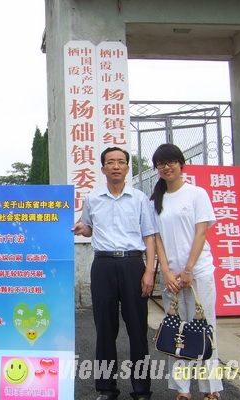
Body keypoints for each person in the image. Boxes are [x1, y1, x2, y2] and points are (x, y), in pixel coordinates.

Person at [73, 147, 156, 400]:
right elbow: (89, 228)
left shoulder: (140, 199)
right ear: (103, 168)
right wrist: (82, 228)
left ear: (128, 167)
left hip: (133, 265)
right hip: (103, 266)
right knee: (105, 329)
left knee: (137, 329)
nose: (116, 166)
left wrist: (149, 270)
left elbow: (149, 236)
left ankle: (141, 389)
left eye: (121, 162)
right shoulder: (93, 198)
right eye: (111, 162)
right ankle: (106, 388)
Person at [150, 143, 223, 400]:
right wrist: (167, 273)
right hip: (171, 277)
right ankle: (182, 390)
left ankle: (211, 389)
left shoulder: (196, 194)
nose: (166, 167)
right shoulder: (155, 200)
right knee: (176, 330)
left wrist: (189, 269)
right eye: (161, 163)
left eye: (171, 161)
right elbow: (157, 239)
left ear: (182, 165)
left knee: (204, 328)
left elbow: (201, 233)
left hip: (198, 272)